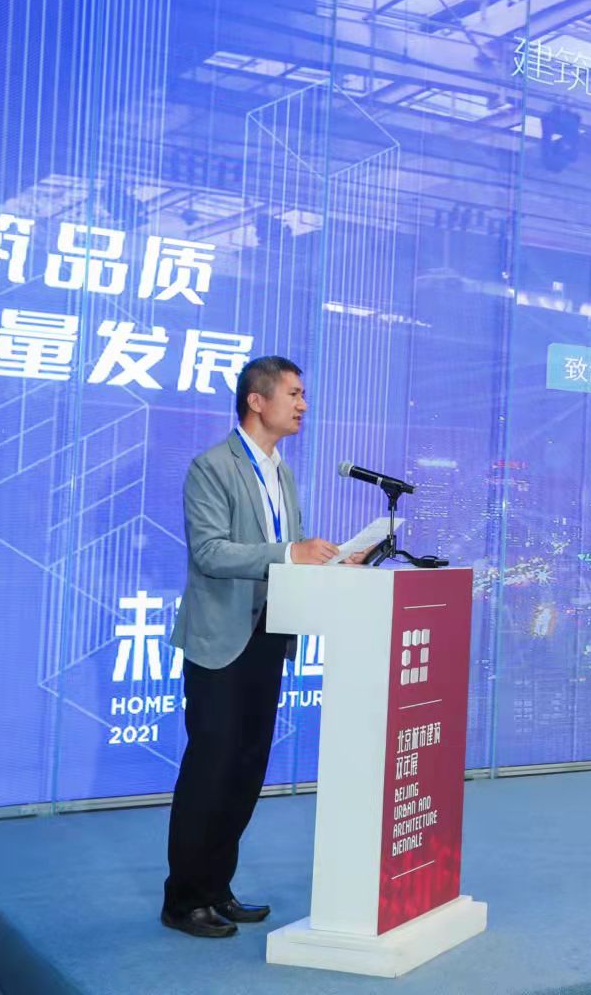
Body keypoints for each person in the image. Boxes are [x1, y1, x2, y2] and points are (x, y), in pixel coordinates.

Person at [161, 356, 363, 938]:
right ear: (257, 400)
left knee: (247, 768)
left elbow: (287, 552)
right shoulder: (212, 467)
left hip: (269, 633)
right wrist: (291, 553)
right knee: (211, 767)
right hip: (221, 639)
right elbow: (210, 552)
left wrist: (330, 562)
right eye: (294, 394)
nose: (303, 405)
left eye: (303, 394)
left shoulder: (282, 471)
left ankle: (216, 888)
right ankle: (183, 900)